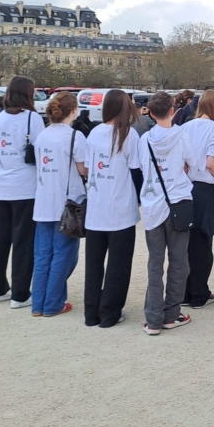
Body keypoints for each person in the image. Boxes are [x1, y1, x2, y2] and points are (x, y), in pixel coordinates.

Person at [138, 91, 197, 335]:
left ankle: (153, 318)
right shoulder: (182, 136)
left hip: (153, 205)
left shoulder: (144, 140)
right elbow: (194, 163)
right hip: (177, 202)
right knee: (178, 262)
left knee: (155, 264)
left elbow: (143, 168)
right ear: (172, 111)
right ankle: (172, 314)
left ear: (151, 114)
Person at [83, 90, 141, 328]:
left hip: (96, 207)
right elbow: (136, 170)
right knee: (119, 264)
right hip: (120, 208)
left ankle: (91, 312)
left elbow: (88, 168)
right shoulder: (128, 135)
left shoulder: (94, 133)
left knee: (93, 264)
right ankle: (110, 312)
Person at [0, 76, 46, 308]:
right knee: (23, 241)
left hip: (2, 184)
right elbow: (40, 149)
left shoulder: (0, 117)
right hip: (25, 185)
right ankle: (20, 293)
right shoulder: (32, 118)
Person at [31, 93, 87, 317]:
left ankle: (39, 302)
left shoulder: (42, 135)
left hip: (44, 199)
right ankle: (53, 302)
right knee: (65, 254)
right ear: (73, 110)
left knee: (42, 254)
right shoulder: (75, 136)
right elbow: (83, 169)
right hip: (67, 201)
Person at [181, 89, 214, 308]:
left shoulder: (186, 127)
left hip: (185, 187)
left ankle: (184, 292)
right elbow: (211, 163)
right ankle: (199, 292)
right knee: (203, 242)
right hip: (205, 188)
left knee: (186, 242)